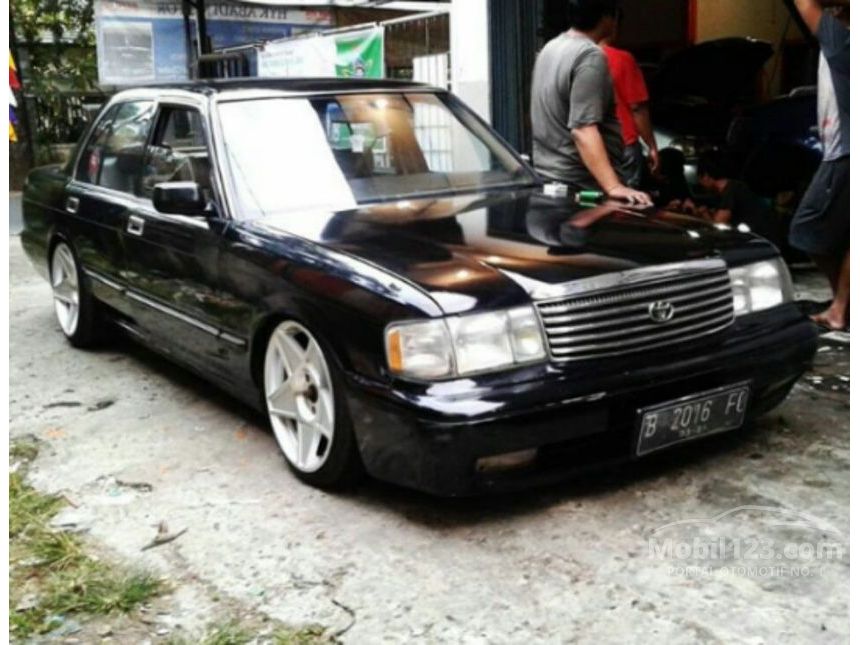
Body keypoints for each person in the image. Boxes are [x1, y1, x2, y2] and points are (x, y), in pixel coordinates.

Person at [530, 0, 652, 206]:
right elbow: (583, 129)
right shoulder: (589, 55)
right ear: (607, 18)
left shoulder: (550, 48)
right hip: (582, 186)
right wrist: (613, 186)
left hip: (549, 180)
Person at [789, 0, 849, 331]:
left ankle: (842, 307)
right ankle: (843, 306)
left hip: (846, 156)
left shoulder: (842, 41)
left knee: (806, 229)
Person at [601, 20, 660, 188]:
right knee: (627, 204)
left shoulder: (575, 59)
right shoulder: (623, 59)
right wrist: (652, 146)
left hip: (592, 145)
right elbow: (637, 108)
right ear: (612, 26)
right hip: (623, 142)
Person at [693, 150, 781, 244]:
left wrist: (704, 213)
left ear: (706, 176)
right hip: (758, 238)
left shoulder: (731, 190)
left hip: (761, 241)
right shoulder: (734, 187)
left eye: (699, 179)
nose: (700, 184)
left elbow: (718, 225)